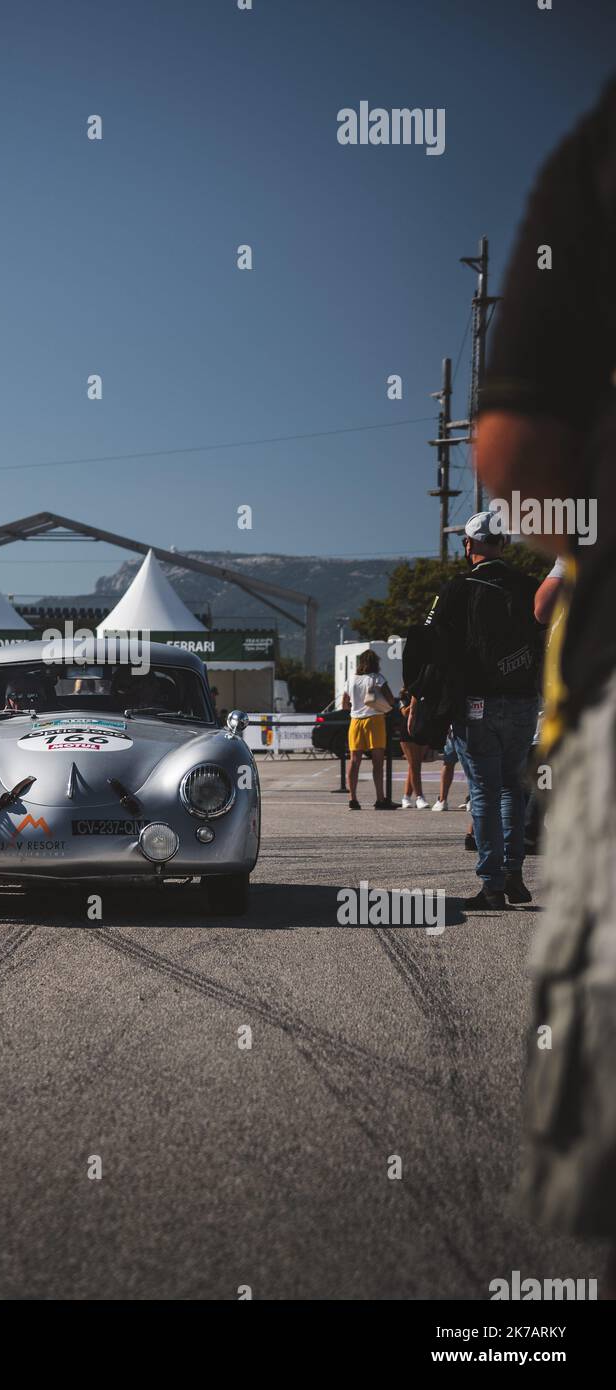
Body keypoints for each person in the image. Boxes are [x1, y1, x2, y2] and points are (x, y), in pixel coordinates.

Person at [471, 76, 616, 1272]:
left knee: (495, 791)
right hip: (529, 696)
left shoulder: (599, 150)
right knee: (500, 789)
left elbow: (514, 452)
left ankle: (494, 872)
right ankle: (498, 871)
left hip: (566, 692)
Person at [410, 513, 543, 909]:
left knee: (484, 792)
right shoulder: (529, 586)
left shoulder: (456, 589)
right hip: (523, 701)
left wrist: (418, 700)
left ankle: (492, 885)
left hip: (476, 704)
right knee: (512, 788)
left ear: (468, 545)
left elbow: (429, 648)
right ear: (503, 544)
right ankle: (514, 874)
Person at [341, 650, 397, 810]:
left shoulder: (351, 679)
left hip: (355, 721)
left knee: (354, 760)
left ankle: (353, 797)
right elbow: (391, 699)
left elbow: (344, 703)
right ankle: (380, 798)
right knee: (377, 762)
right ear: (375, 663)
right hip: (375, 719)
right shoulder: (377, 678)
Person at [395, 688, 429, 809]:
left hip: (422, 729)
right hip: (408, 732)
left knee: (414, 765)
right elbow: (404, 712)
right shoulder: (405, 695)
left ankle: (406, 796)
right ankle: (419, 796)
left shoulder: (426, 692)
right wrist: (415, 702)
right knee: (415, 765)